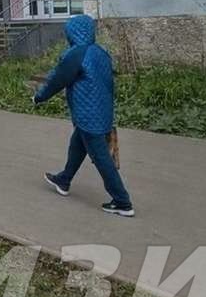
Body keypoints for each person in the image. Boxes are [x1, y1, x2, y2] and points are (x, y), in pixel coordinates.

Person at [33, 14, 134, 218]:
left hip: (88, 115)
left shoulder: (76, 54)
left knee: (102, 158)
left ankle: (123, 202)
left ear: (72, 33)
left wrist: (39, 97)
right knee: (77, 145)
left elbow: (58, 79)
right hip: (102, 112)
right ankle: (64, 180)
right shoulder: (101, 52)